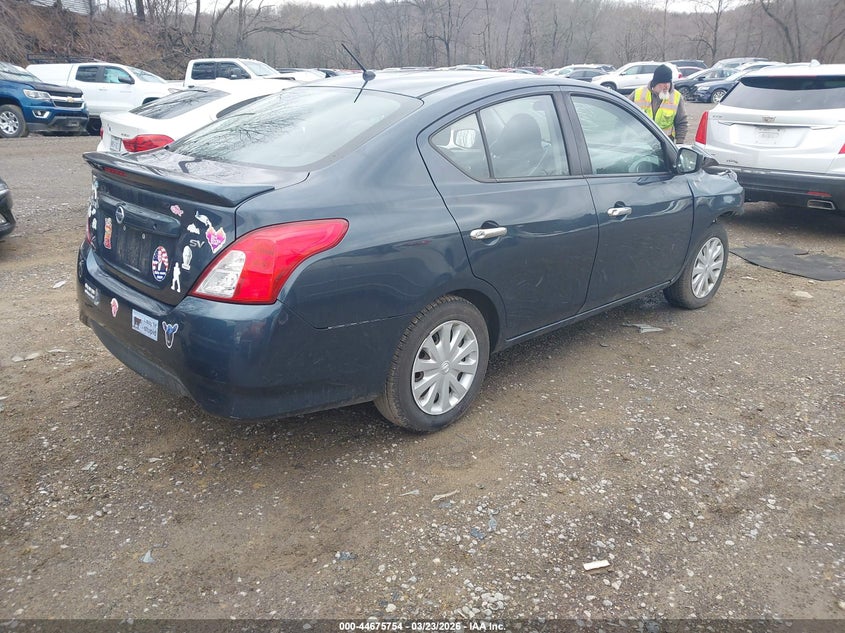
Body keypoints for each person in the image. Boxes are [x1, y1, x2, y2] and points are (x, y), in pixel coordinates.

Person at [630, 64, 688, 143]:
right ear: (655, 83)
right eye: (663, 82)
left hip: (664, 144)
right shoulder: (637, 94)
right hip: (640, 143)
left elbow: (682, 123)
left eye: (668, 82)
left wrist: (679, 143)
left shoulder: (676, 97)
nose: (666, 86)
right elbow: (623, 116)